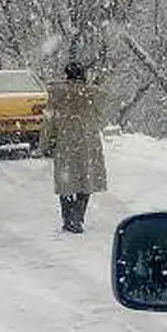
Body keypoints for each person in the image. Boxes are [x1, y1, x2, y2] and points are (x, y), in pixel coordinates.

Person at [37, 61, 107, 233]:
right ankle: (79, 217)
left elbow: (49, 121)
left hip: (65, 142)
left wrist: (45, 144)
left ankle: (68, 219)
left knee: (66, 181)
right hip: (89, 142)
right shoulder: (94, 94)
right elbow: (102, 117)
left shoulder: (57, 94)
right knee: (86, 180)